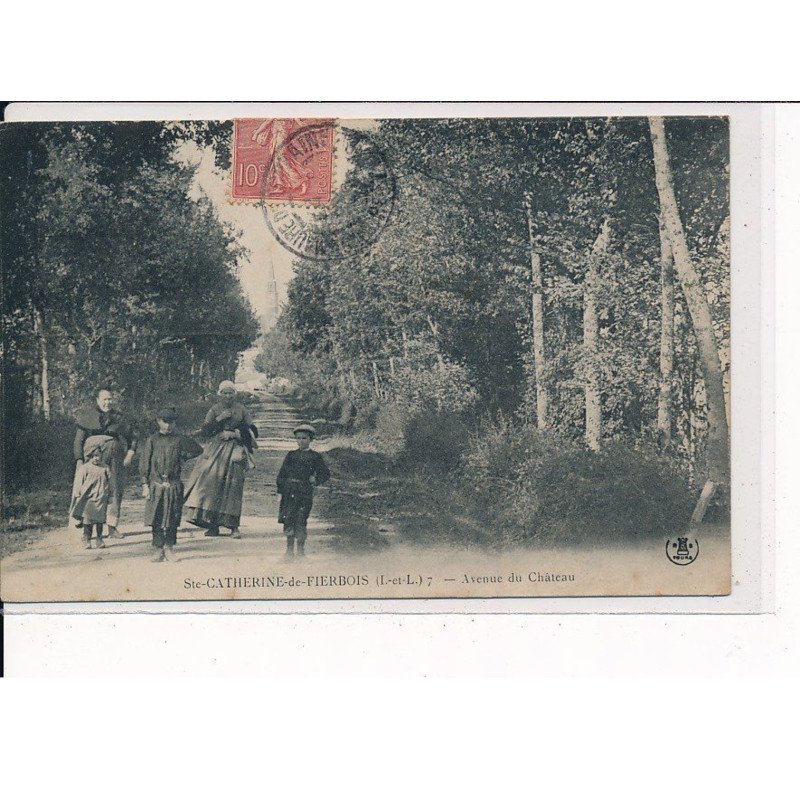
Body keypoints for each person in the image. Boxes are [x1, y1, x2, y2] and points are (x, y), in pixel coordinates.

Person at [183, 380, 258, 539]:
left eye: (230, 393)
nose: (228, 396)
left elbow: (252, 431)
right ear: (220, 394)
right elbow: (205, 431)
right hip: (216, 450)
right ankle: (212, 525)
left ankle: (233, 527)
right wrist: (219, 419)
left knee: (233, 487)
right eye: (225, 393)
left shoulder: (242, 410)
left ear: (234, 394)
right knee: (211, 485)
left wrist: (235, 433)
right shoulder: (214, 409)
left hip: (235, 451)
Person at [139, 407, 204, 563]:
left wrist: (183, 458)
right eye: (164, 422)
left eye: (171, 423)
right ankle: (158, 549)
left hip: (173, 484)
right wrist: (145, 484)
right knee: (157, 516)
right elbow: (144, 463)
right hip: (156, 484)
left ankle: (169, 548)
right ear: (158, 422)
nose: (168, 426)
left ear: (175, 423)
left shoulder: (179, 439)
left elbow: (197, 449)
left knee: (172, 517)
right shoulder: (152, 440)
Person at [73, 388, 137, 539]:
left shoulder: (119, 418)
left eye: (110, 399)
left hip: (114, 457)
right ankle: (87, 530)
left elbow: (133, 437)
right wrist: (79, 460)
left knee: (114, 488)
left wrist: (130, 454)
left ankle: (112, 527)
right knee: (90, 491)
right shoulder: (87, 417)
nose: (107, 402)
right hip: (92, 458)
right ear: (97, 400)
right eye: (104, 399)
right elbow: (78, 440)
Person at [276, 422, 330, 558]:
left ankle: (300, 550)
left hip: (304, 491)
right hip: (289, 491)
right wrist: (280, 490)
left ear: (310, 440)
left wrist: (316, 480)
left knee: (301, 519)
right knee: (288, 518)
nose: (301, 441)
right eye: (298, 438)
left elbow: (325, 473)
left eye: (304, 438)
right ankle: (289, 551)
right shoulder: (291, 455)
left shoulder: (315, 457)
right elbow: (282, 474)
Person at [69, 435, 113, 549]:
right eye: (93, 456)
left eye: (98, 456)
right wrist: (78, 492)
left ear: (102, 455)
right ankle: (87, 539)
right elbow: (79, 481)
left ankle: (99, 539)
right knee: (87, 520)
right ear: (89, 457)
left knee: (100, 520)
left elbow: (111, 482)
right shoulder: (85, 468)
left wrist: (111, 495)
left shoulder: (105, 468)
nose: (96, 459)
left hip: (101, 498)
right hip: (88, 498)